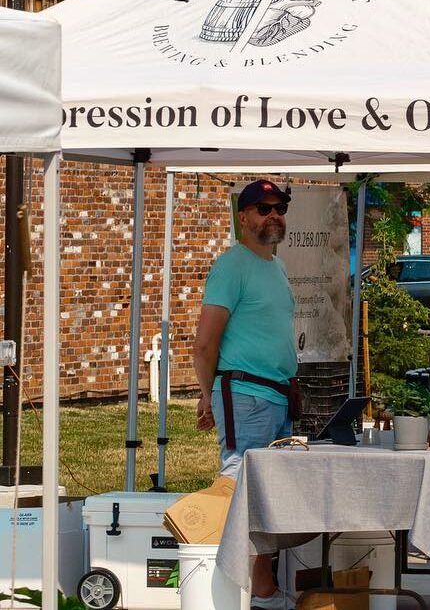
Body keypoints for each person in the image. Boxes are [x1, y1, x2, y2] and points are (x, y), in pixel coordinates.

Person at [190, 179, 298, 610]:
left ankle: (262, 589)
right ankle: (233, 590)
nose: (273, 215)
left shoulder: (277, 265)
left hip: (275, 395)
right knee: (241, 492)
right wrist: (207, 393)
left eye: (279, 208)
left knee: (266, 495)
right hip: (247, 395)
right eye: (262, 208)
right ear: (243, 217)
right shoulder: (232, 265)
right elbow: (204, 343)